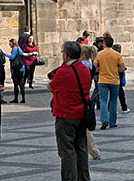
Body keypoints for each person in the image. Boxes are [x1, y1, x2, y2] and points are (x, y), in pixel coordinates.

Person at [49, 41, 92, 181]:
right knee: (81, 148)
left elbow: (51, 86)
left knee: (67, 151)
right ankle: (84, 178)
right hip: (81, 114)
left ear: (66, 55)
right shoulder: (85, 69)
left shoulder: (63, 71)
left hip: (65, 115)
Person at [95, 35, 125, 130]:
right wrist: (116, 69)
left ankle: (104, 120)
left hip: (103, 79)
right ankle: (113, 122)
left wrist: (100, 69)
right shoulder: (117, 55)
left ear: (104, 43)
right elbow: (122, 68)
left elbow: (94, 66)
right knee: (113, 101)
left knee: (103, 100)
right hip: (114, 80)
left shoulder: (99, 54)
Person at [79, 44, 101, 161]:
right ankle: (93, 152)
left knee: (85, 130)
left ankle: (94, 152)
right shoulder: (90, 65)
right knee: (84, 130)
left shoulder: (83, 67)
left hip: (81, 99)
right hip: (85, 97)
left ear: (82, 55)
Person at [4, 38, 26, 103]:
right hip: (20, 67)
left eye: (10, 43)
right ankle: (23, 98)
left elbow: (12, 57)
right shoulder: (19, 48)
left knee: (16, 84)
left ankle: (16, 98)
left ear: (12, 43)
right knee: (21, 84)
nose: (9, 44)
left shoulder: (15, 49)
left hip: (16, 68)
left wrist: (5, 54)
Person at [111, 44, 130, 113]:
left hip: (111, 77)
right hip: (117, 78)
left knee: (113, 94)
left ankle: (111, 108)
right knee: (120, 94)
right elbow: (121, 68)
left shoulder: (110, 57)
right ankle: (124, 108)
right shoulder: (118, 57)